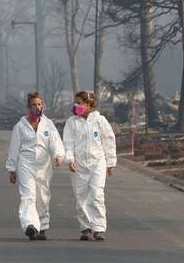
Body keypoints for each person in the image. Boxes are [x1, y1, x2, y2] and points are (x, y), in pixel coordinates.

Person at [6, 92, 64, 241]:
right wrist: (12, 169)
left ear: (43, 106)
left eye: (39, 104)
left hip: (43, 165)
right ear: (28, 107)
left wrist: (58, 156)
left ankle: (42, 226)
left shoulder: (48, 124)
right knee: (28, 196)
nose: (37, 107)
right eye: (34, 104)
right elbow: (14, 148)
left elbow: (55, 142)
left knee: (43, 197)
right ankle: (30, 226)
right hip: (26, 164)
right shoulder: (20, 126)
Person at [63, 90, 116, 241]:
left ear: (89, 104)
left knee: (97, 195)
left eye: (79, 103)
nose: (76, 105)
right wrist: (70, 159)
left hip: (97, 163)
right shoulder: (72, 122)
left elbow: (109, 141)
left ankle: (99, 228)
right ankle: (85, 227)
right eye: (76, 102)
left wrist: (111, 162)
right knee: (81, 197)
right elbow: (68, 143)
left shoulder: (100, 121)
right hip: (79, 165)